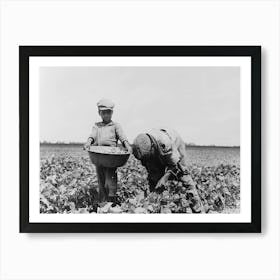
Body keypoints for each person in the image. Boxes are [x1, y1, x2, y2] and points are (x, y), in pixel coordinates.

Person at [132, 128, 204, 213]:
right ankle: (155, 204)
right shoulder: (140, 147)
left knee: (183, 175)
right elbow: (147, 165)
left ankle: (197, 208)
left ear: (152, 147)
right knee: (154, 177)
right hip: (156, 150)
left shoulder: (165, 143)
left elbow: (174, 165)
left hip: (175, 144)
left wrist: (164, 178)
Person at [84, 98, 132, 204]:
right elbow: (92, 136)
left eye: (108, 112)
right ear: (99, 113)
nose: (106, 115)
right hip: (99, 156)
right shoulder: (97, 126)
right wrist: (88, 142)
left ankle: (112, 202)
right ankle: (103, 203)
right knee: (101, 181)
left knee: (110, 181)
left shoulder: (115, 126)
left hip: (111, 157)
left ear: (112, 113)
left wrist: (127, 145)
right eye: (104, 113)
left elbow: (122, 137)